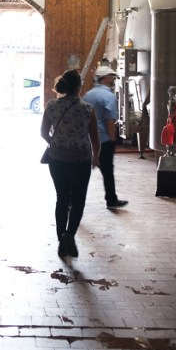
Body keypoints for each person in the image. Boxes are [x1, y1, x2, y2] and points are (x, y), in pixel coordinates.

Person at [41, 68, 100, 258]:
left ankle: (62, 243)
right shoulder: (87, 109)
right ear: (79, 87)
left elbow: (43, 132)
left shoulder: (51, 106)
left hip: (57, 159)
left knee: (62, 199)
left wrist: (55, 142)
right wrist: (96, 156)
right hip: (80, 160)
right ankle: (69, 235)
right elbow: (95, 138)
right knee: (78, 201)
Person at [83, 65, 128, 210]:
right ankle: (111, 199)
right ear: (105, 78)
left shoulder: (88, 95)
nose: (113, 78)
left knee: (83, 171)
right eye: (111, 76)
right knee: (107, 170)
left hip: (88, 138)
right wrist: (112, 139)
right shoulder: (109, 96)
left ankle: (73, 199)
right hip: (103, 139)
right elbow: (110, 120)